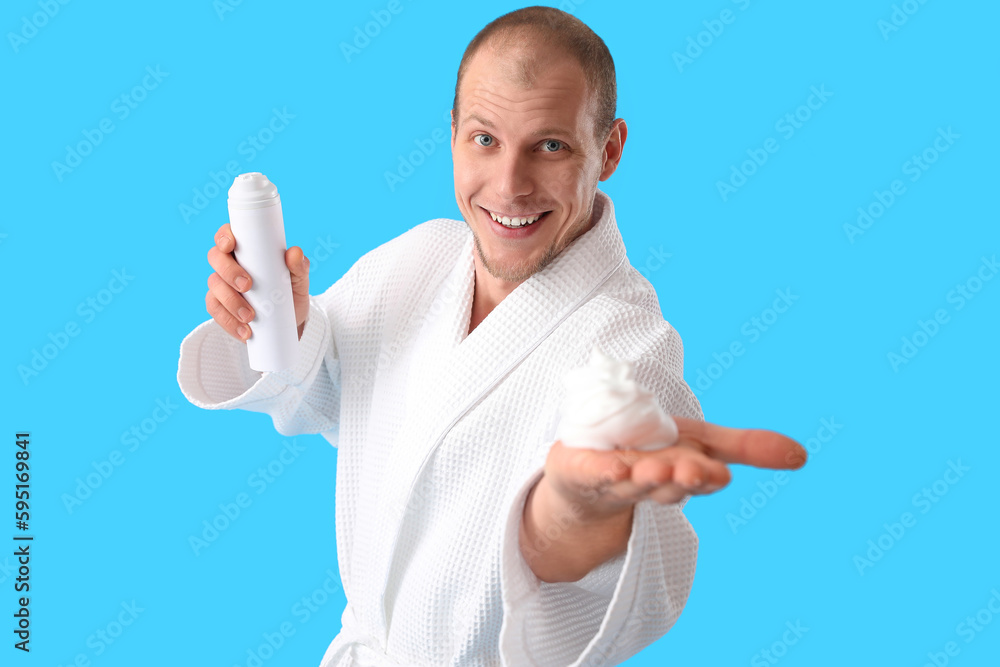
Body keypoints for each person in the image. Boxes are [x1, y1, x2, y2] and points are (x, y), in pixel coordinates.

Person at [177, 6, 807, 666]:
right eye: (485, 139)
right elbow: (316, 390)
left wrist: (571, 512)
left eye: (551, 146)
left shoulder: (631, 352)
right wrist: (277, 320)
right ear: (451, 135)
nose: (509, 186)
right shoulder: (414, 261)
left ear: (610, 150)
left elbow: (631, 583)